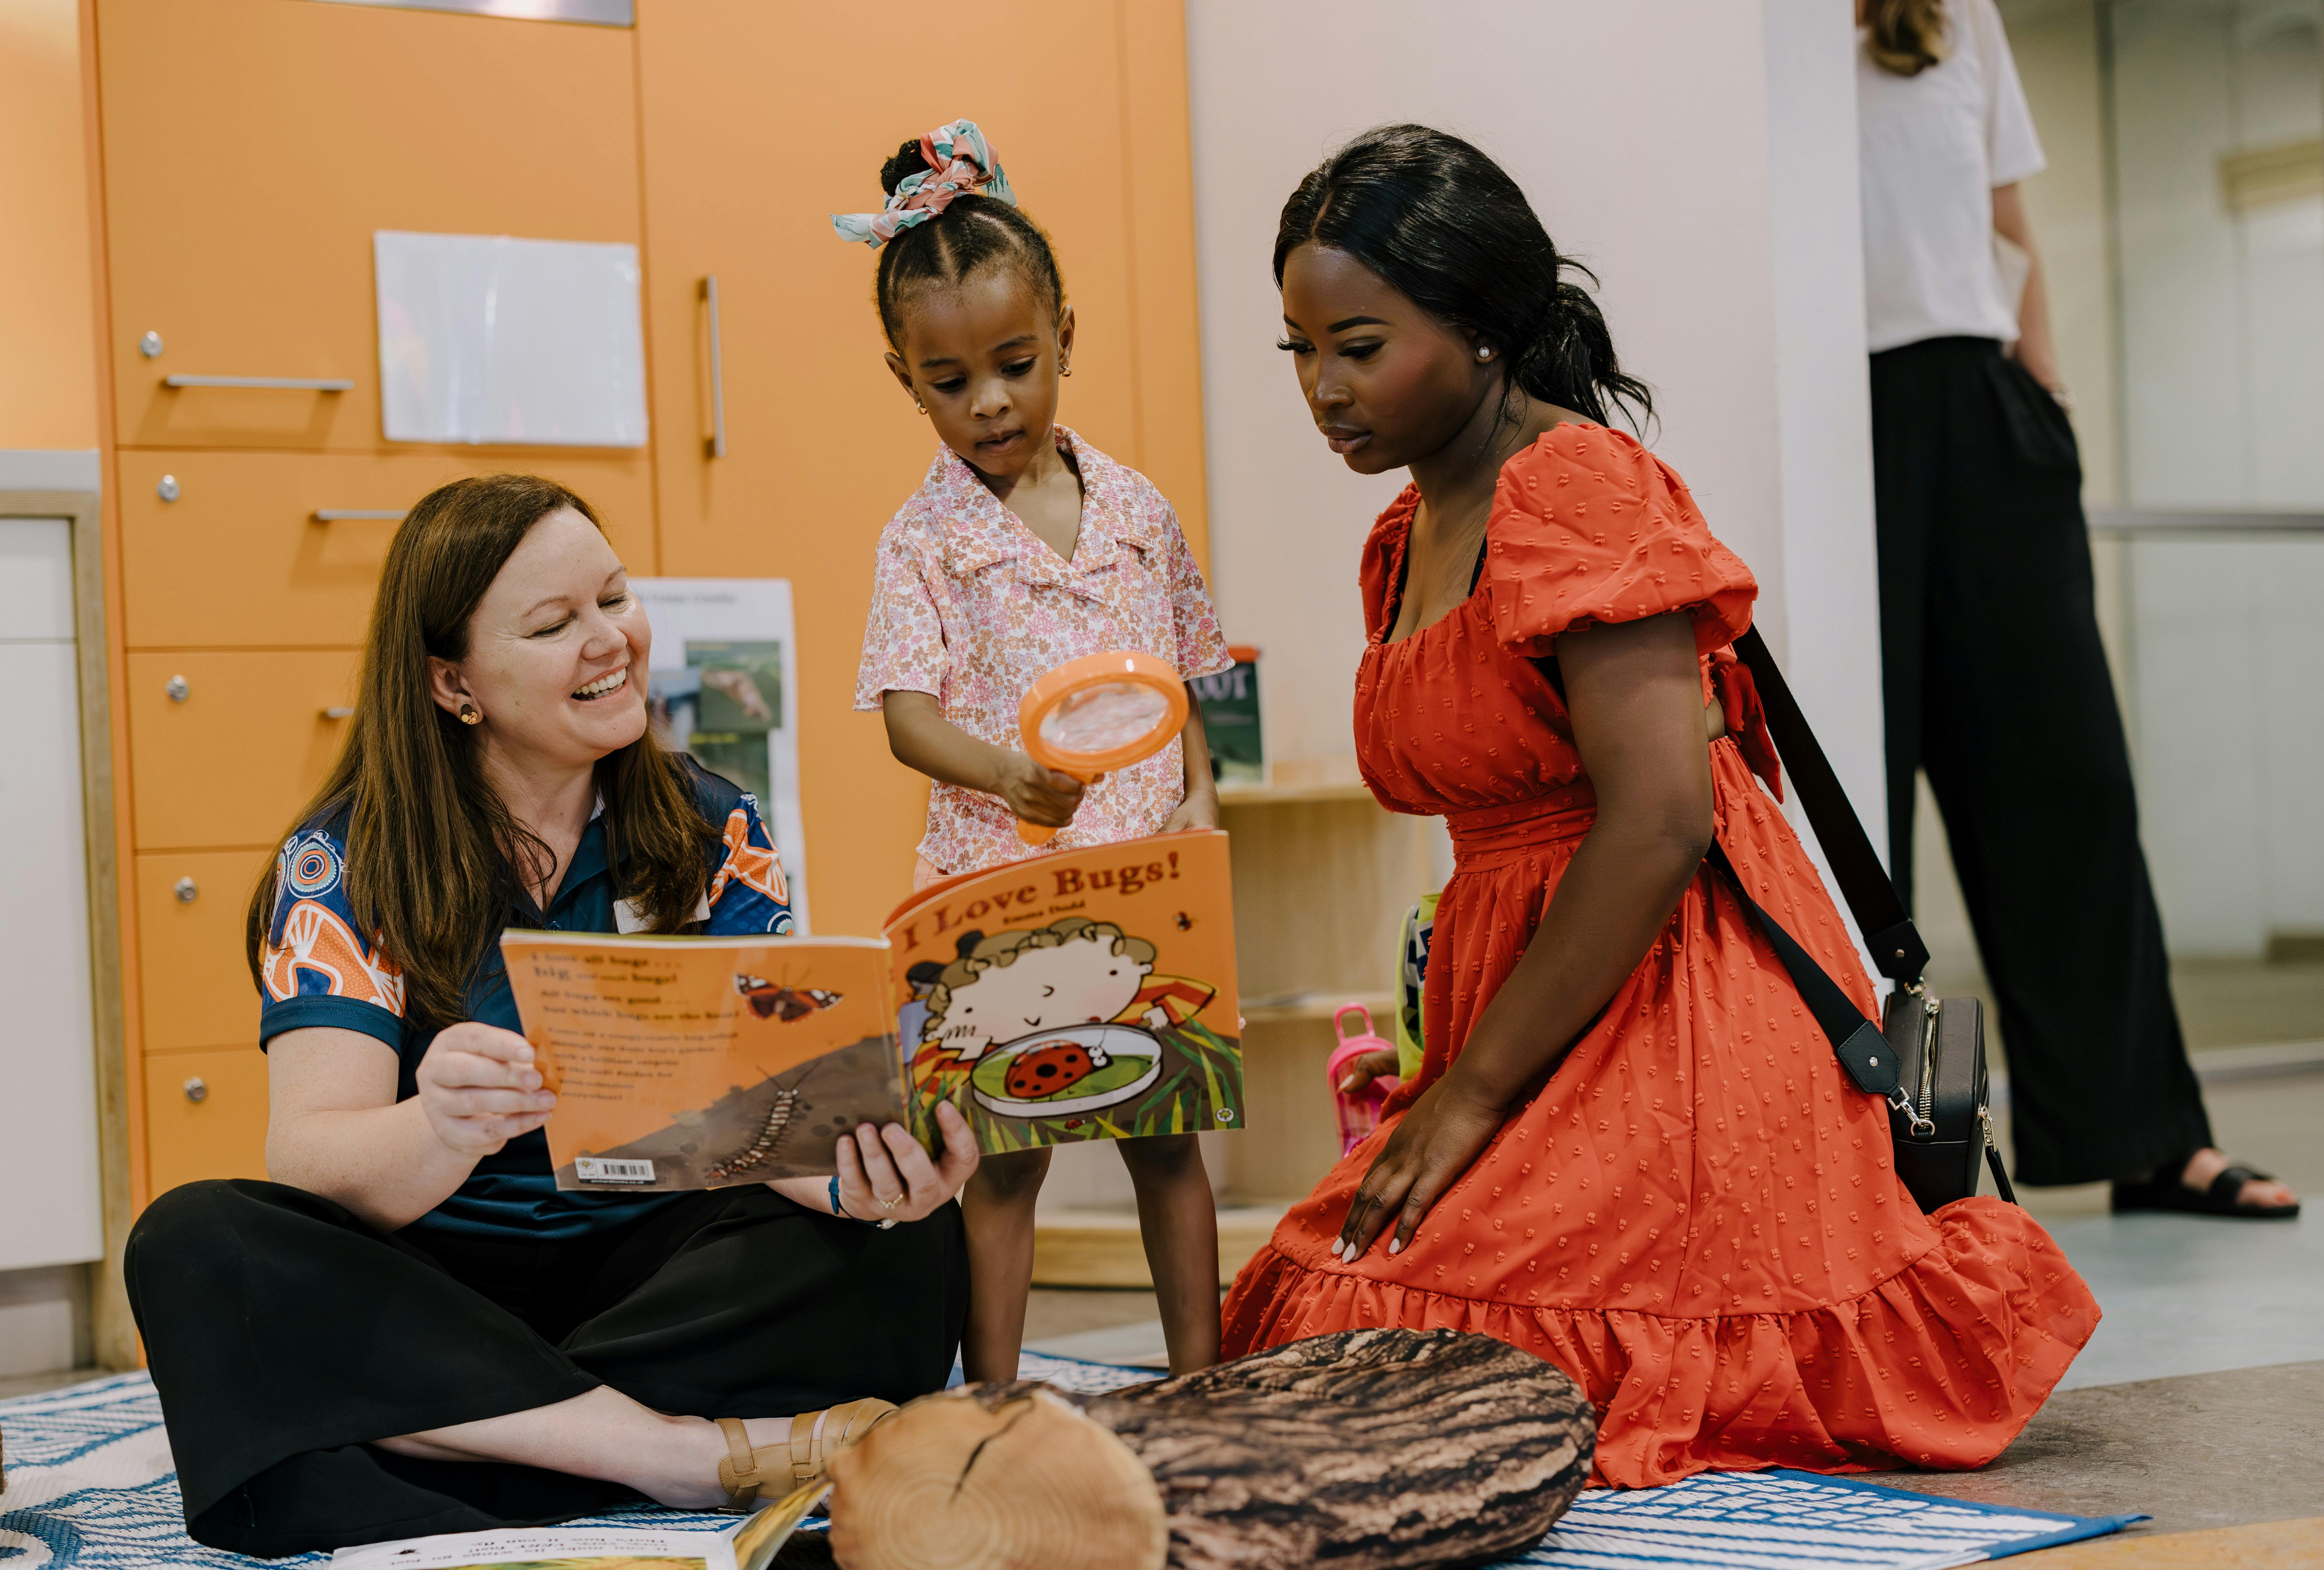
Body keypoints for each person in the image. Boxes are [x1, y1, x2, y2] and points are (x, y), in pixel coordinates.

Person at [1221, 125, 2102, 1488]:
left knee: (1380, 1335)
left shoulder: (1575, 485)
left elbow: (1656, 823)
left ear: (1479, 332)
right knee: (1315, 1298)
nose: (1322, 391)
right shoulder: (1401, 533)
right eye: (1299, 350)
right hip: (1526, 1000)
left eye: (1358, 344)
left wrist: (1465, 1100)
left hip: (1675, 1009)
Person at [124, 475, 974, 1559]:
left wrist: (872, 1186)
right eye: (554, 624)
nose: (609, 641)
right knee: (196, 1245)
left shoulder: (716, 827)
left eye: (616, 600)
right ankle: (677, 1457)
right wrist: (437, 1127)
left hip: (654, 1282)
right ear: (453, 682)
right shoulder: (343, 865)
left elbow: (766, 1126)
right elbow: (310, 1158)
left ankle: (470, 1437)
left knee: (906, 1248)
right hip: (435, 1296)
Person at [1857, 0, 2294, 1216]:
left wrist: (2043, 402)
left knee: (2070, 782)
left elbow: (2009, 226)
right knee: (1851, 799)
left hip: (1987, 409)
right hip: (1836, 418)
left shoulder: (1952, 19)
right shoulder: (1758, 39)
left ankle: (2148, 1135)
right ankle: (1851, 1166)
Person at [839, 119, 1233, 1381]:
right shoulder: (923, 540)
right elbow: (907, 717)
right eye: (949, 382)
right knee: (1004, 1158)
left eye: (1015, 363)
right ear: (906, 382)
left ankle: (1198, 1377)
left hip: (1146, 874)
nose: (990, 401)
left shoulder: (1138, 512)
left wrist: (1203, 796)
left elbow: (1190, 680)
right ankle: (996, 1397)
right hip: (999, 881)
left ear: (1065, 336)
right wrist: (1004, 774)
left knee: (1168, 1137)